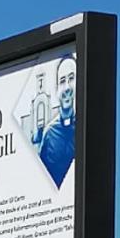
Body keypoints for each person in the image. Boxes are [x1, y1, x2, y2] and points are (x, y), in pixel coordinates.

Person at [39, 53, 77, 188]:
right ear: (56, 89)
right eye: (62, 81)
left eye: (71, 79)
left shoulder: (85, 130)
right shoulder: (49, 133)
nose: (66, 88)